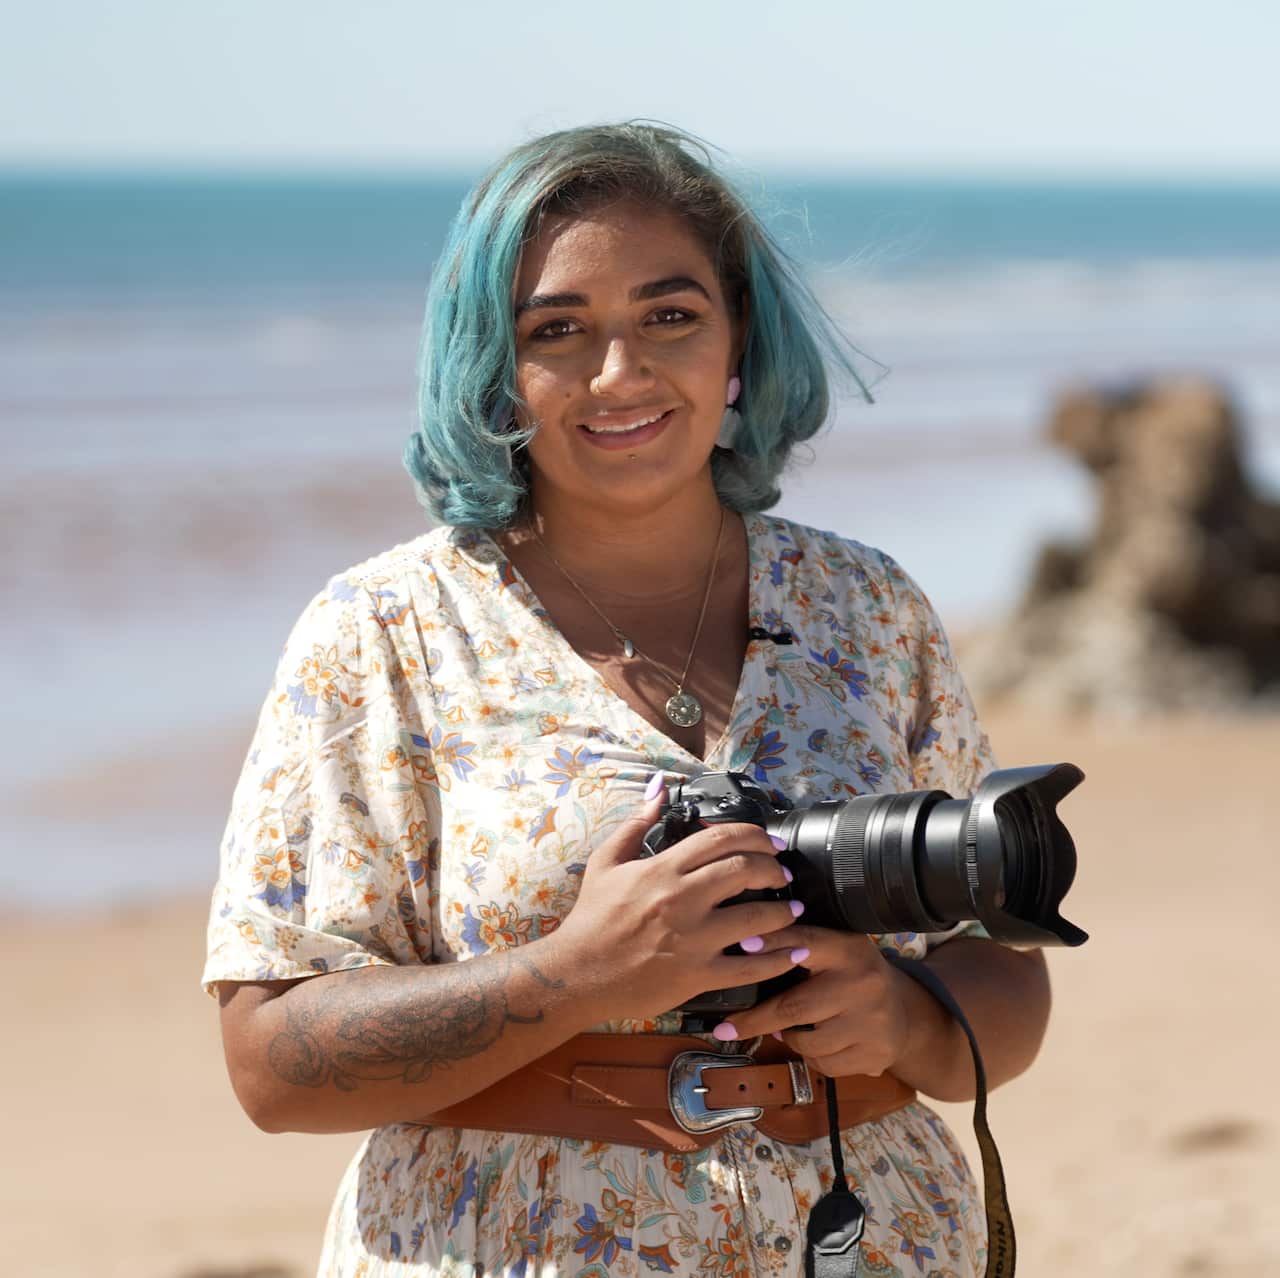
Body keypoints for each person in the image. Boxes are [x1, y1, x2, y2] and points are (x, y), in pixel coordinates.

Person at [204, 123, 1051, 1278]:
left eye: (669, 316)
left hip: (866, 1238)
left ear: (737, 336)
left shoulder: (865, 607)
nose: (619, 374)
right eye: (556, 330)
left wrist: (903, 1017)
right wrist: (577, 974)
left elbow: (1004, 977)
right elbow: (270, 1064)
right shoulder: (383, 632)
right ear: (492, 367)